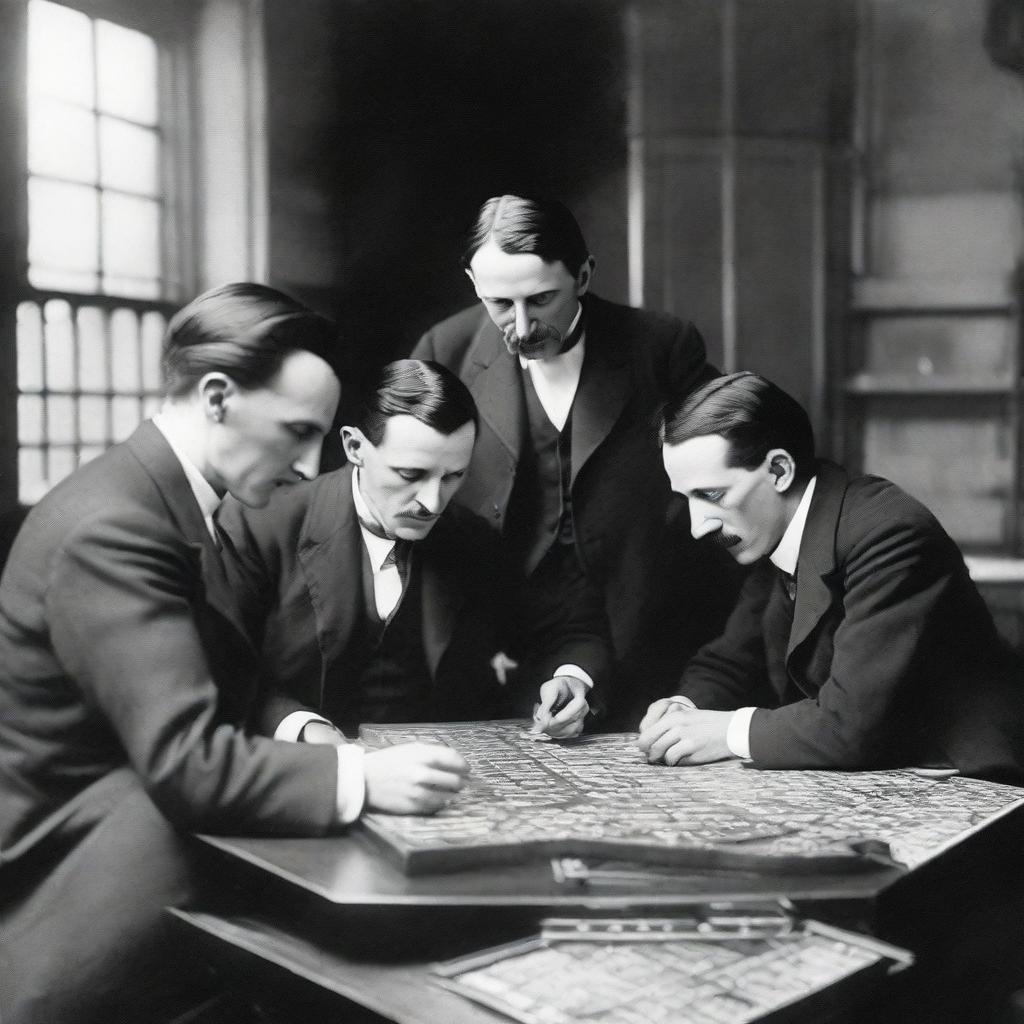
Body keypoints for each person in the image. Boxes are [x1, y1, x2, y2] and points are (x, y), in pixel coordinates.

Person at [0, 285, 469, 1024]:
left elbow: (206, 701)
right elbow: (187, 760)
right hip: (70, 877)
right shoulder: (117, 525)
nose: (308, 462)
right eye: (294, 432)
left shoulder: (163, 499)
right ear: (217, 397)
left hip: (135, 836)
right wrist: (362, 773)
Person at [413, 195, 740, 727]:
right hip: (503, 639)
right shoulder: (442, 353)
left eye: (541, 300)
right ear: (473, 281)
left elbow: (733, 462)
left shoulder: (662, 347)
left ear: (584, 276)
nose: (520, 327)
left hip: (644, 623)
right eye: (499, 303)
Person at [638, 371, 1024, 782]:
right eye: (686, 499)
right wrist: (684, 709)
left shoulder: (889, 532)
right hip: (880, 774)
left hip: (970, 783)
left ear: (779, 469)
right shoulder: (775, 529)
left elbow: (850, 723)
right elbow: (730, 660)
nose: (699, 527)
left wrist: (728, 731)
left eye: (712, 495)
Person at [217, 359, 610, 744]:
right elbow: (221, 666)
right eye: (410, 475)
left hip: (434, 776)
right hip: (297, 775)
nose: (433, 502)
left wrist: (570, 678)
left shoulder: (472, 539)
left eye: (454, 476)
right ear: (354, 446)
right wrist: (301, 728)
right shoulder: (260, 524)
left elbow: (570, 627)